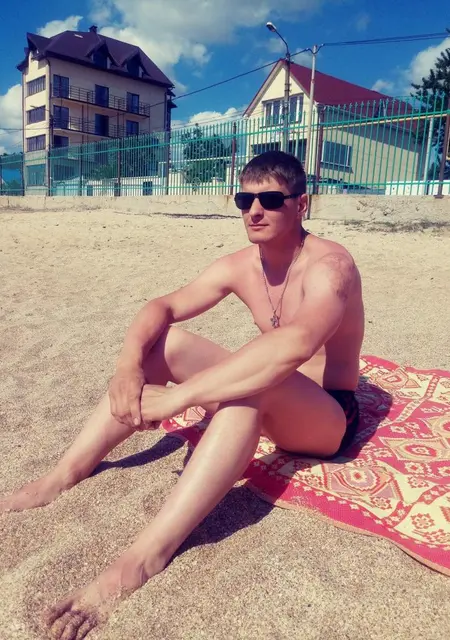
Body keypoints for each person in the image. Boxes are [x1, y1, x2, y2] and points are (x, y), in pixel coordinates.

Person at [1, 151, 365, 639]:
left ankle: (141, 559)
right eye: (245, 201)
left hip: (326, 415)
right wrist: (127, 367)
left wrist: (180, 398)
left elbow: (295, 345)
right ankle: (63, 474)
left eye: (271, 200)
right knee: (165, 344)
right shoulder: (242, 265)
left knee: (252, 387)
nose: (255, 212)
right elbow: (164, 306)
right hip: (275, 390)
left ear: (302, 204)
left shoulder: (331, 266)